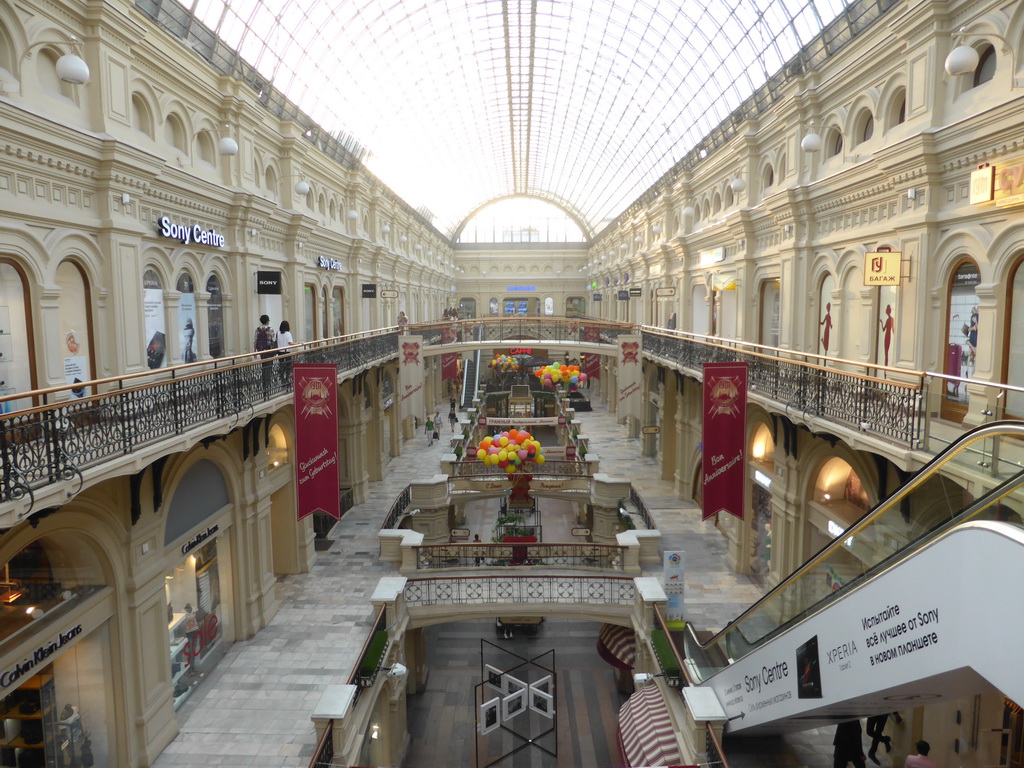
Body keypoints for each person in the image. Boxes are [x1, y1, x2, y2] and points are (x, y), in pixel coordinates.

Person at [276, 320, 294, 385]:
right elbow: (290, 343)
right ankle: (287, 380)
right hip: (287, 352)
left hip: (280, 352)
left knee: (281, 366)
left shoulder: (278, 333)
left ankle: (282, 379)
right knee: (288, 367)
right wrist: (298, 344)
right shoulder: (288, 334)